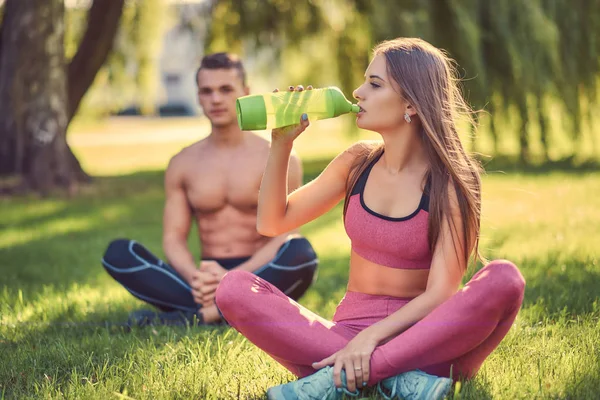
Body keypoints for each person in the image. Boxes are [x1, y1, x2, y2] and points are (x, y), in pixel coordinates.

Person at [214, 38, 526, 400]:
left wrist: (371, 340)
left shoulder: (451, 182)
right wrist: (282, 144)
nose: (358, 92)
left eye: (374, 84)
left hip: (427, 342)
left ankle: (343, 376)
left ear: (411, 103)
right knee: (234, 288)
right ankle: (396, 380)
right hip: (345, 335)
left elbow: (441, 293)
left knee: (505, 279)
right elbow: (271, 223)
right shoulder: (356, 163)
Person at [101, 52, 319, 327]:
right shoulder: (183, 163)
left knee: (302, 253)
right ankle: (227, 308)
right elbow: (173, 238)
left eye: (226, 90)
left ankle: (195, 316)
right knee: (118, 254)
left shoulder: (278, 154)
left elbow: (285, 233)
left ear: (246, 92)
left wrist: (232, 279)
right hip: (204, 276)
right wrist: (196, 277)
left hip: (260, 273)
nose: (215, 99)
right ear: (198, 97)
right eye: (206, 91)